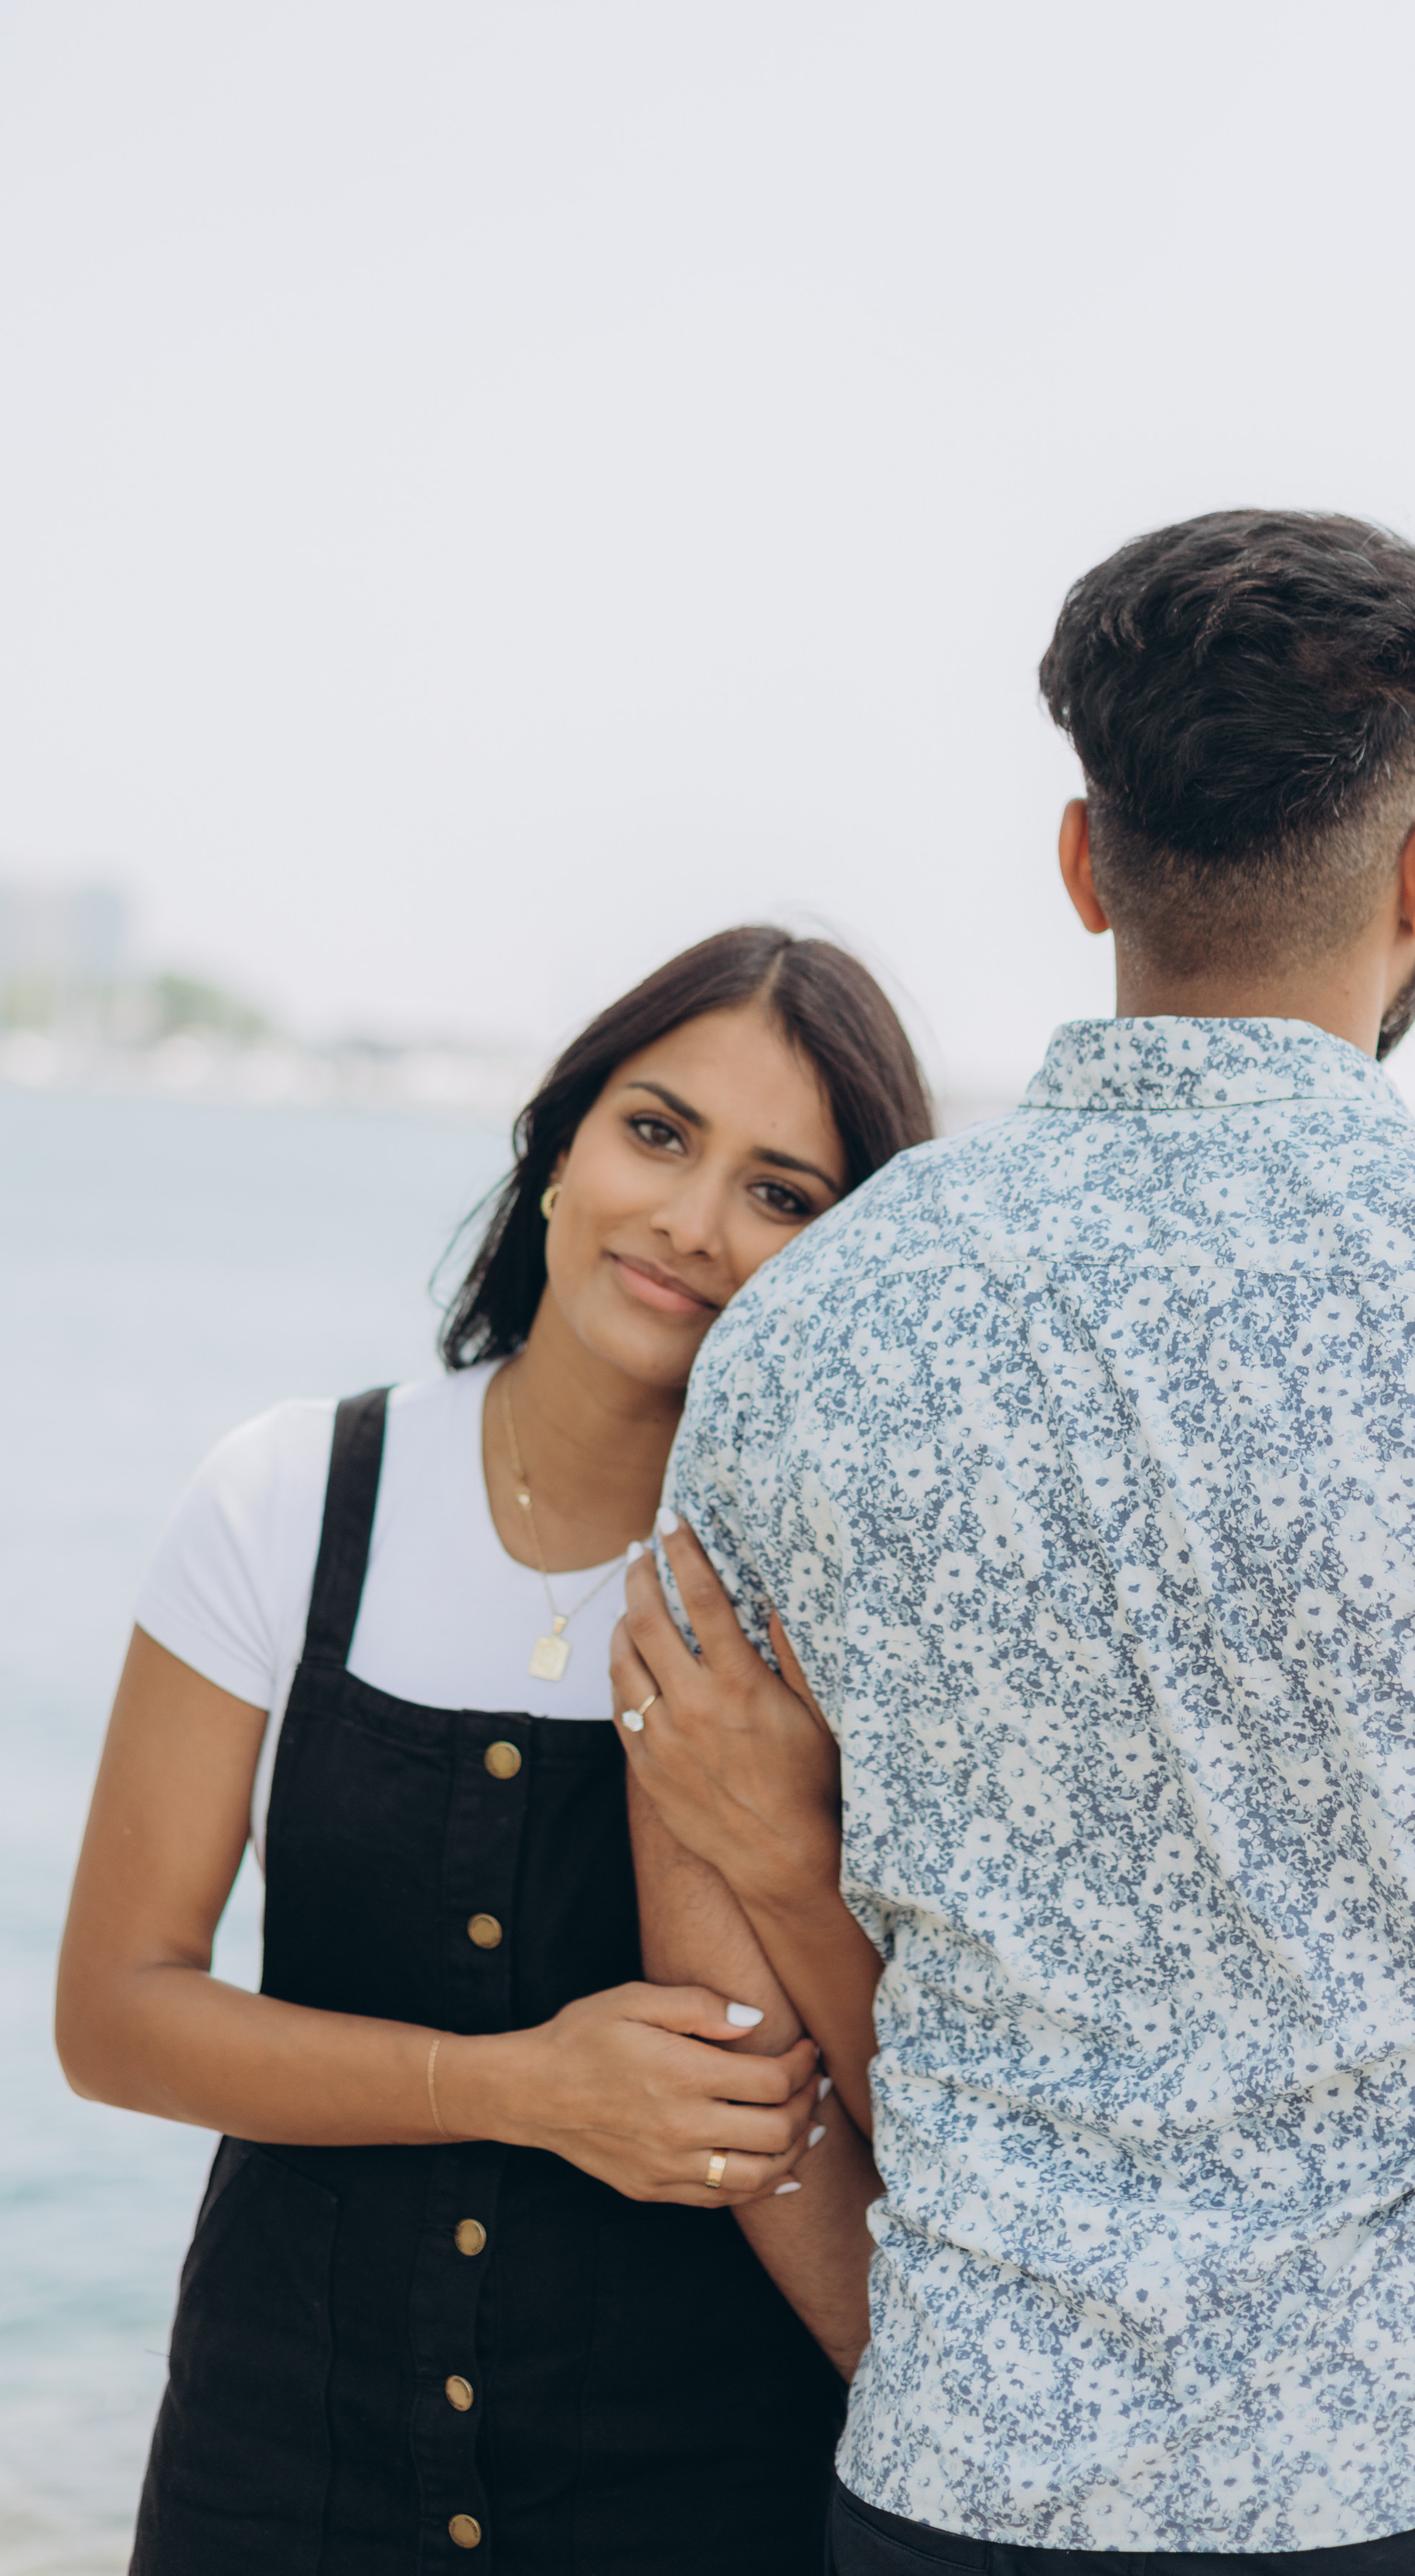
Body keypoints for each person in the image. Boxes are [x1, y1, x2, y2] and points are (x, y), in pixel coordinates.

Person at [613, 511, 1415, 2574]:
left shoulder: (802, 1334)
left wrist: (939, 2387)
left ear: (1082, 860)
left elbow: (722, 1998)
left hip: (966, 2474)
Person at [54, 923, 929, 2574]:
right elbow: (115, 2017)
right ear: (556, 1151)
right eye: (657, 1133)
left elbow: (945, 2090)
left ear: (847, 1262)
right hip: (280, 2473)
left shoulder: (851, 1618)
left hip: (709, 2500)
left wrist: (782, 1850)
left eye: (780, 1192)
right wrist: (520, 2089)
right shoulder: (288, 1499)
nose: (692, 1222)